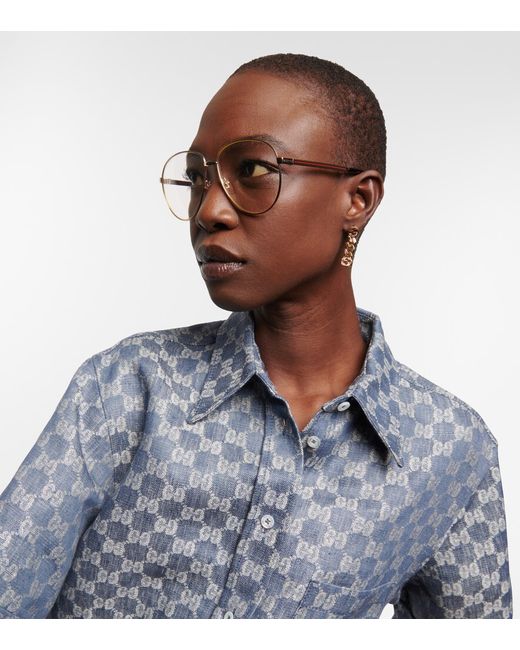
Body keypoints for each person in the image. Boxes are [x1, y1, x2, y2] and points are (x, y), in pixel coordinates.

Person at [0, 52, 513, 619]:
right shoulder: (128, 388)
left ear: (358, 199)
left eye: (252, 171)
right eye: (198, 178)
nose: (209, 211)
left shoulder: (448, 450)